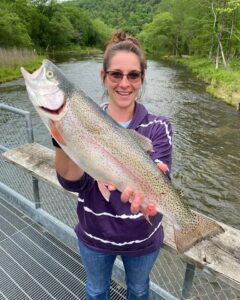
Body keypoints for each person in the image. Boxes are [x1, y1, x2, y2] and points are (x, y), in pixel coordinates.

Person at [53, 30, 173, 300]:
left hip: (143, 237)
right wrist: (60, 136)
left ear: (142, 78)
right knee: (96, 290)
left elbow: (162, 179)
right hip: (94, 235)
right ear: (103, 76)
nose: (124, 83)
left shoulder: (159, 127)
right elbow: (73, 181)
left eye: (133, 75)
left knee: (140, 290)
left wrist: (154, 184)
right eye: (116, 74)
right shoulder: (83, 121)